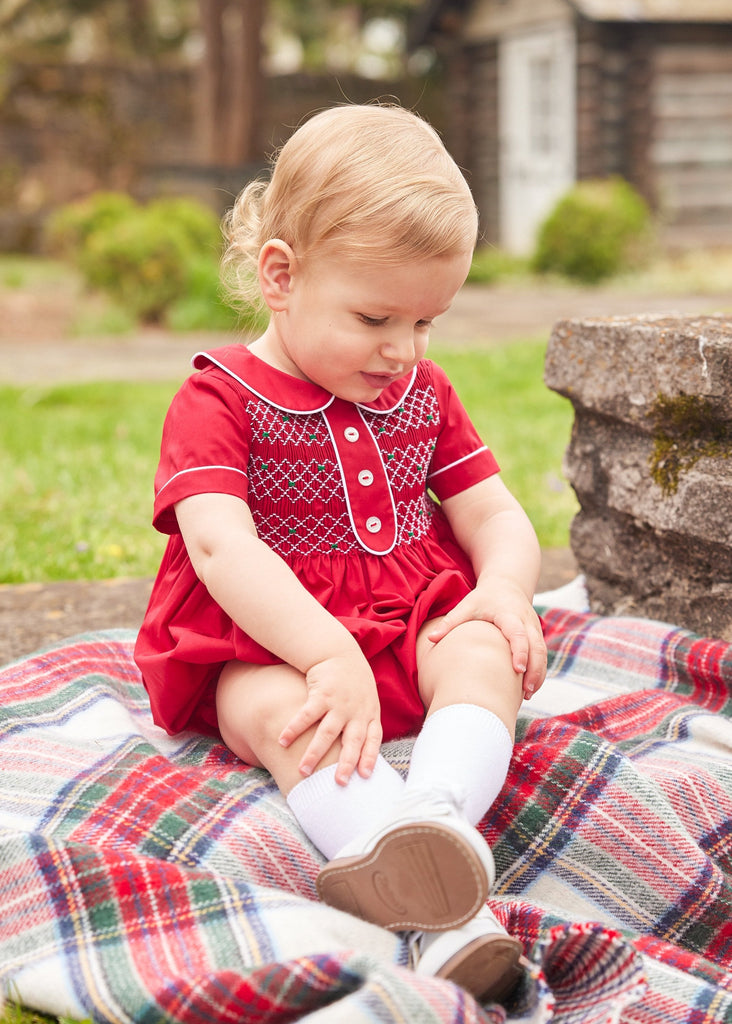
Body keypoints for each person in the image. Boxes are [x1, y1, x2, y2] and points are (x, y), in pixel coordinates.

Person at [135, 102, 547, 1004]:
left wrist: (508, 593)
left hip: (409, 621)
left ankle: (433, 825)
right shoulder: (221, 398)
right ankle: (445, 913)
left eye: (427, 323)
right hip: (268, 640)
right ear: (280, 276)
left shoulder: (421, 393)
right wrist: (324, 652)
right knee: (281, 713)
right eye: (374, 318)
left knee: (486, 650)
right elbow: (219, 546)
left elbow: (492, 514)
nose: (403, 350)